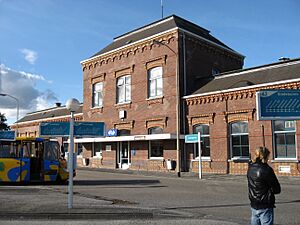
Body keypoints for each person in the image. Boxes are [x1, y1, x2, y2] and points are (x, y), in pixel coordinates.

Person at [247, 147, 281, 225]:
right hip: (265, 204)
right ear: (265, 157)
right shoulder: (267, 170)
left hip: (254, 203)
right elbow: (277, 189)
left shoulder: (250, 168)